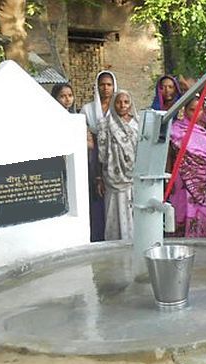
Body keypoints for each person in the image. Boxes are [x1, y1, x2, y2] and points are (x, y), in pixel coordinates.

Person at [166, 97, 206, 238]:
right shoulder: (176, 129)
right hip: (180, 180)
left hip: (202, 182)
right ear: (185, 111)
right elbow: (169, 156)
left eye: (199, 110)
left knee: (200, 212)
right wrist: (169, 178)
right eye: (192, 109)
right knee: (181, 209)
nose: (196, 113)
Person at [97, 89, 139, 241]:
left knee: (133, 213)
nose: (122, 105)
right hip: (112, 178)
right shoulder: (106, 124)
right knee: (113, 213)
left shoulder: (137, 123)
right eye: (119, 102)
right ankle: (115, 245)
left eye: (126, 102)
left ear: (130, 104)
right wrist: (99, 178)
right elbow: (101, 155)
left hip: (133, 178)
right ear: (114, 104)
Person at [81, 70, 117, 242]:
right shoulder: (87, 110)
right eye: (102, 84)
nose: (105, 88)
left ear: (114, 86)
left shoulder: (119, 107)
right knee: (97, 195)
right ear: (97, 86)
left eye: (109, 84)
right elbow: (84, 134)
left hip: (115, 156)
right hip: (93, 156)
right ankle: (97, 236)